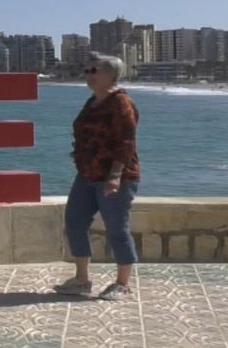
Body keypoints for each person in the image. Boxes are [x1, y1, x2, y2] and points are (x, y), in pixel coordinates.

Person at [54, 54, 141, 301]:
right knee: (74, 222)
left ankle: (123, 284)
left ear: (111, 76)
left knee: (117, 228)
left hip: (115, 176)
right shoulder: (92, 102)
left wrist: (115, 176)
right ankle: (82, 280)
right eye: (87, 71)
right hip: (87, 174)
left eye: (95, 71)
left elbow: (126, 142)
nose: (89, 75)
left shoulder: (121, 102)